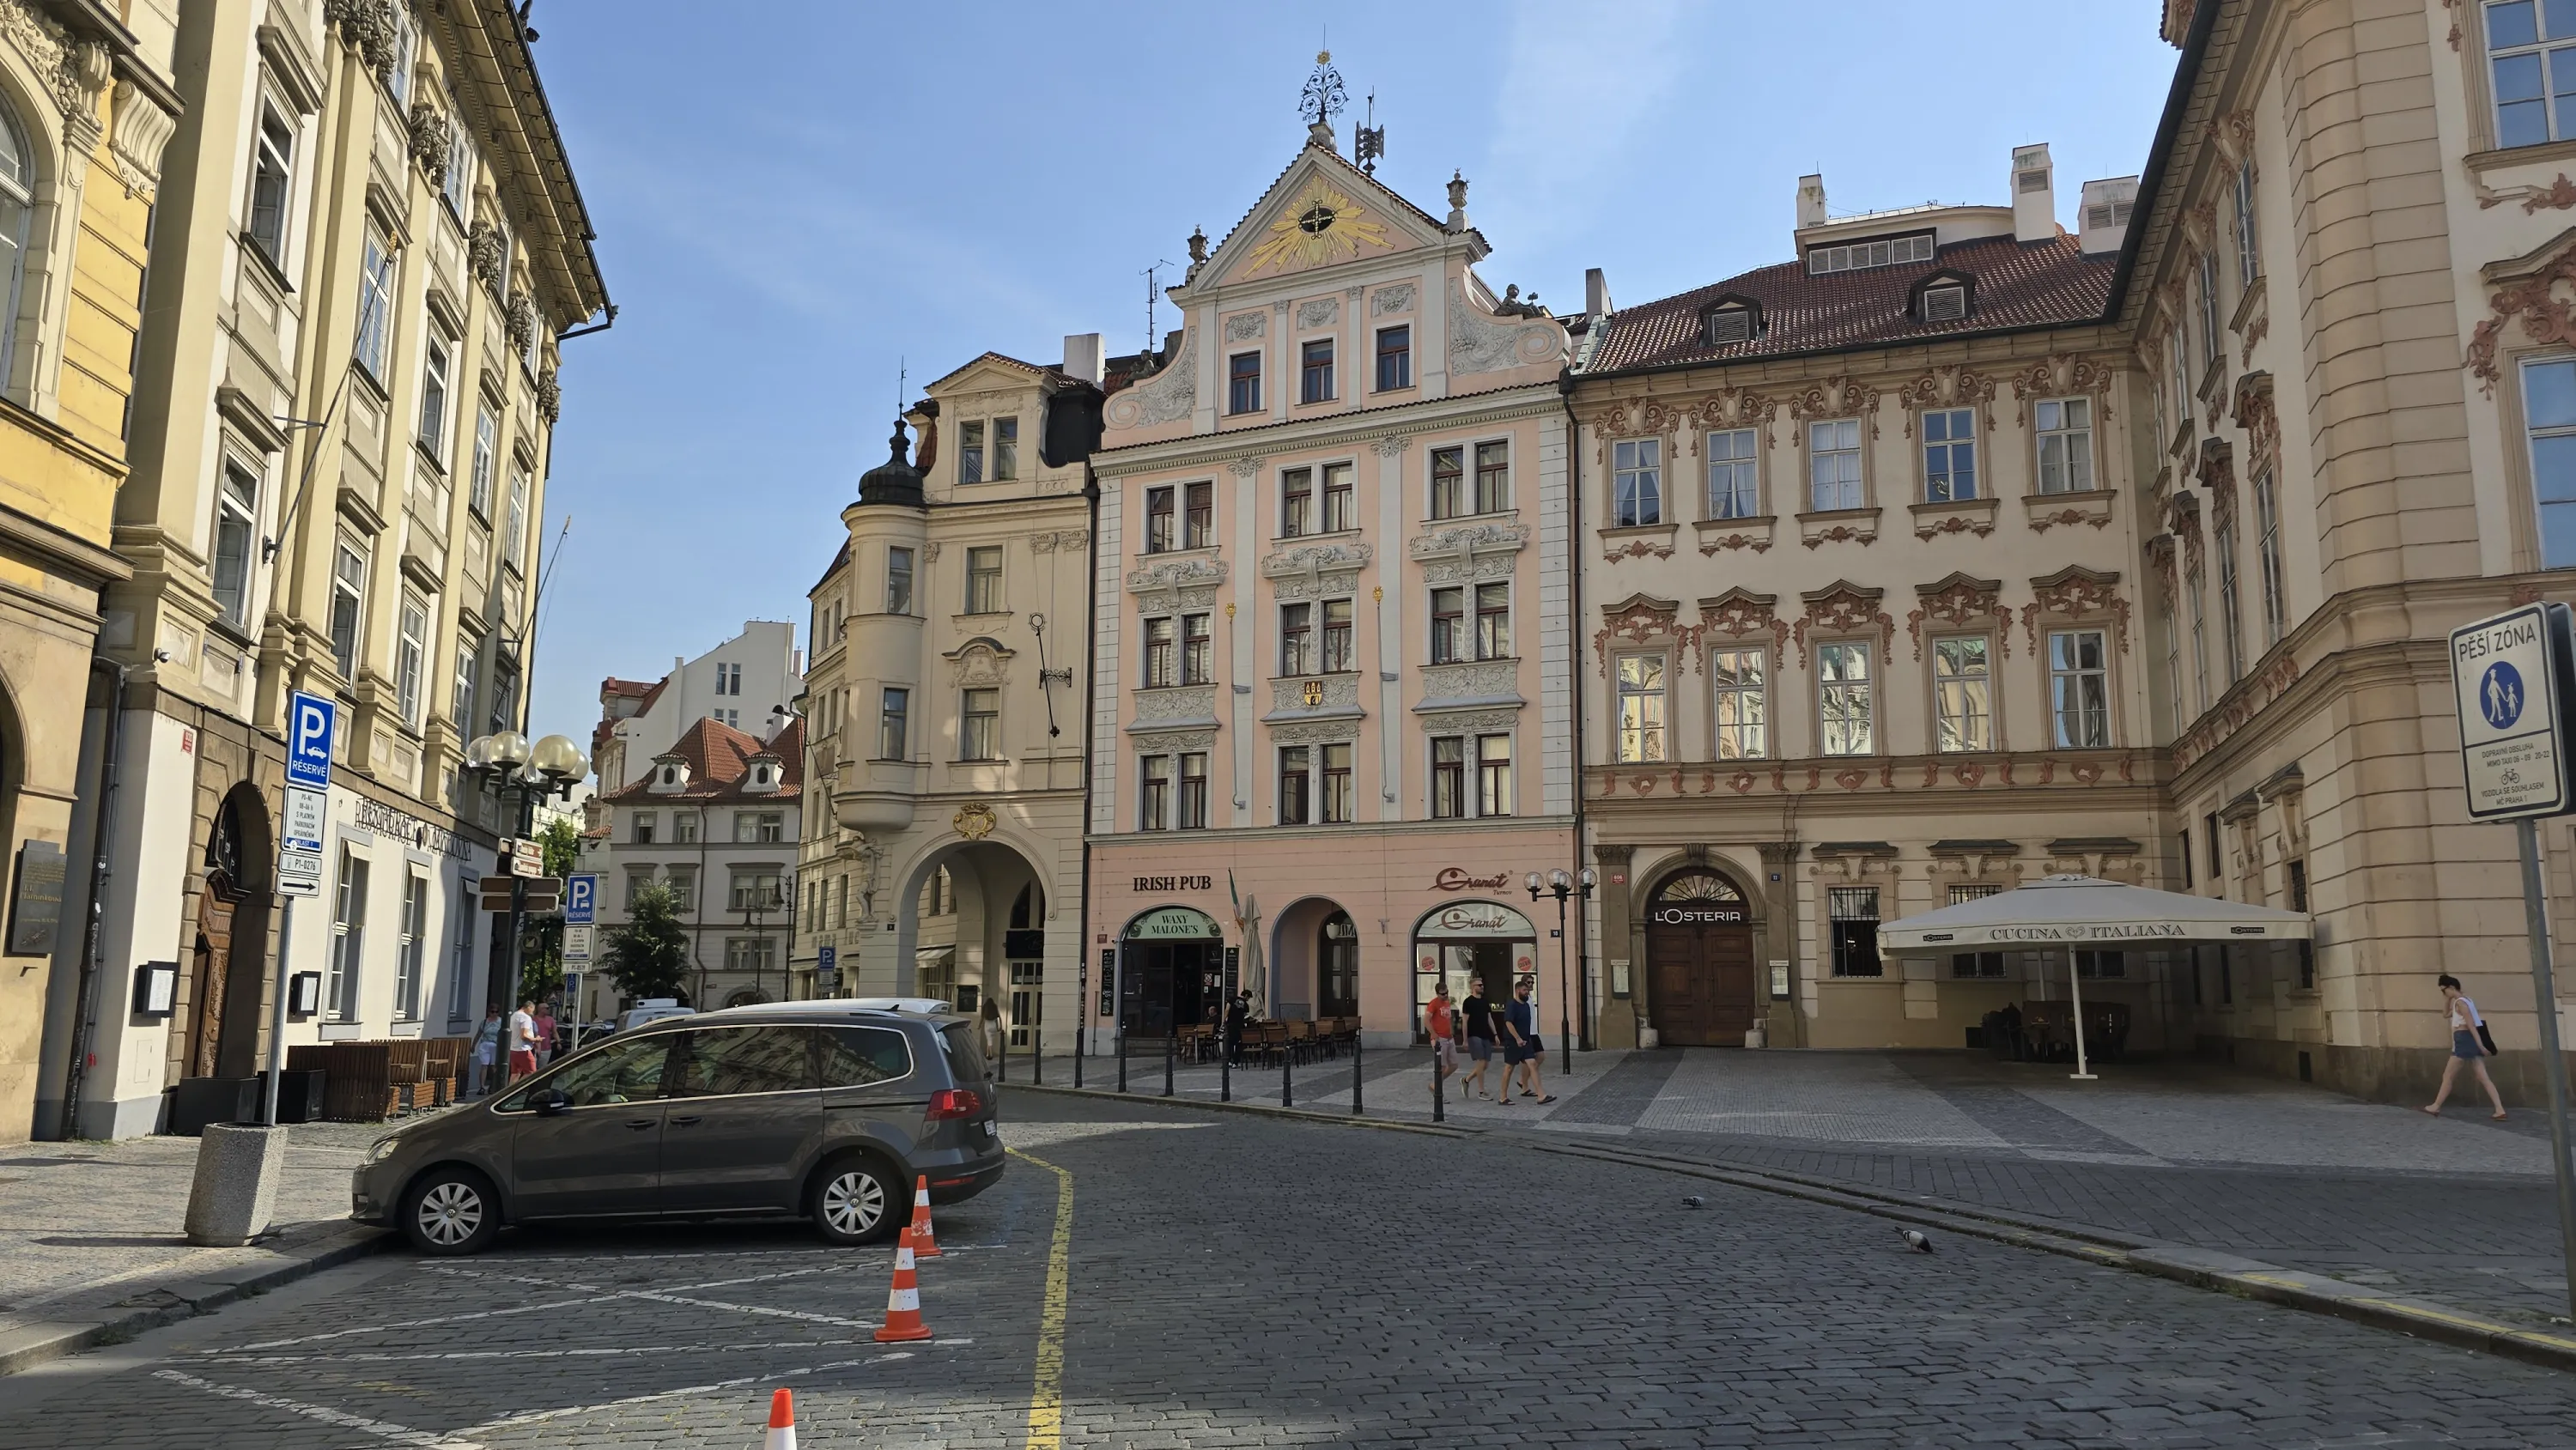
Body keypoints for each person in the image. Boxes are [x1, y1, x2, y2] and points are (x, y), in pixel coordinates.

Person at [2425, 974, 2507, 1120]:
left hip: (2464, 1040)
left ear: (2451, 987)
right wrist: (2447, 999)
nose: (2443, 993)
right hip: (2467, 1040)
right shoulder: (2465, 1001)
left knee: (2448, 1076)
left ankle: (2436, 1106)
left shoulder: (2461, 1004)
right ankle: (2499, 1109)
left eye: (2444, 990)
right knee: (2483, 1077)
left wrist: (2481, 1046)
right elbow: (2445, 1014)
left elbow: (2471, 1025)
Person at [1508, 978, 1555, 1105]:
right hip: (1527, 1034)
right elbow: (1509, 1021)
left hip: (1533, 1032)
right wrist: (1518, 1037)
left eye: (1532, 983)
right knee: (1525, 1062)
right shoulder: (1519, 1001)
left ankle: (1524, 1083)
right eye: (1528, 983)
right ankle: (1525, 1087)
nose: (1530, 985)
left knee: (1540, 1057)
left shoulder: (1529, 997)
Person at [1461, 976, 1499, 1101]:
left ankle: (1466, 1080)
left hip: (1485, 1035)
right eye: (1479, 985)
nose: (1482, 987)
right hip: (1474, 1035)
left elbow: (1489, 1018)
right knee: (1481, 1062)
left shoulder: (1485, 1001)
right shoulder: (1468, 1002)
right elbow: (1465, 1022)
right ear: (1473, 987)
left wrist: (1495, 1034)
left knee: (1485, 1065)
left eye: (1482, 985)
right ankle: (1481, 1091)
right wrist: (1465, 1040)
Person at [1425, 982, 1458, 1094]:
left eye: (1447, 992)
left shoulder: (1447, 1002)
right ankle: (1438, 1090)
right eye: (1443, 994)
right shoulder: (1434, 1004)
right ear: (1437, 993)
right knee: (1442, 1067)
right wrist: (1434, 1034)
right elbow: (1426, 1020)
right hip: (1440, 1039)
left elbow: (1447, 1019)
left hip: (1449, 1038)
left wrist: (1451, 1031)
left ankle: (1436, 1084)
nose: (1446, 995)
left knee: (1454, 1065)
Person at [470, 1005, 503, 1097]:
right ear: (489, 1012)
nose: (494, 1014)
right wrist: (473, 1045)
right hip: (485, 1045)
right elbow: (478, 1034)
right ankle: (482, 1087)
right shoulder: (484, 1022)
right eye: (492, 1012)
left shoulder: (501, 1022)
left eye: (496, 1012)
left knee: (493, 1067)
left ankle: (494, 1086)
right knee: (484, 1065)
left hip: (496, 1046)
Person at [507, 998, 540, 1085]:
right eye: (532, 1010)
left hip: (513, 1049)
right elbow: (524, 1035)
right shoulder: (526, 1017)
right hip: (523, 1050)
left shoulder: (514, 1015)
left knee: (515, 1073)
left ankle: (509, 1091)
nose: (532, 1013)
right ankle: (518, 1088)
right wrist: (536, 1039)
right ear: (529, 1007)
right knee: (532, 1072)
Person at [1224, 990, 1251, 1065]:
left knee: (1230, 1043)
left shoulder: (1232, 999)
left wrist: (1224, 1020)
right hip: (1240, 1025)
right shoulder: (1246, 1004)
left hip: (1231, 1024)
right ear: (1246, 996)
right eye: (1248, 998)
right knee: (1239, 1044)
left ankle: (1229, 1060)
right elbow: (1246, 1016)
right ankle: (1235, 1062)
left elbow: (1227, 1010)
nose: (1248, 999)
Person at [978, 995, 1005, 1062]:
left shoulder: (985, 1008)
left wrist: (979, 1026)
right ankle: (987, 1054)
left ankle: (991, 1054)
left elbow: (982, 1018)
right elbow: (998, 1018)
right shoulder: (994, 1007)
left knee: (989, 1040)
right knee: (989, 1040)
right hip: (994, 1026)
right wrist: (1000, 1027)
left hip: (987, 1026)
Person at [534, 1000, 559, 1067]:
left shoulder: (550, 1019)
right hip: (534, 1048)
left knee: (542, 1069)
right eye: (547, 1008)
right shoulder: (533, 1019)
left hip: (546, 1049)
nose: (549, 1009)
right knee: (532, 1069)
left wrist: (558, 1042)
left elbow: (554, 1032)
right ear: (541, 1009)